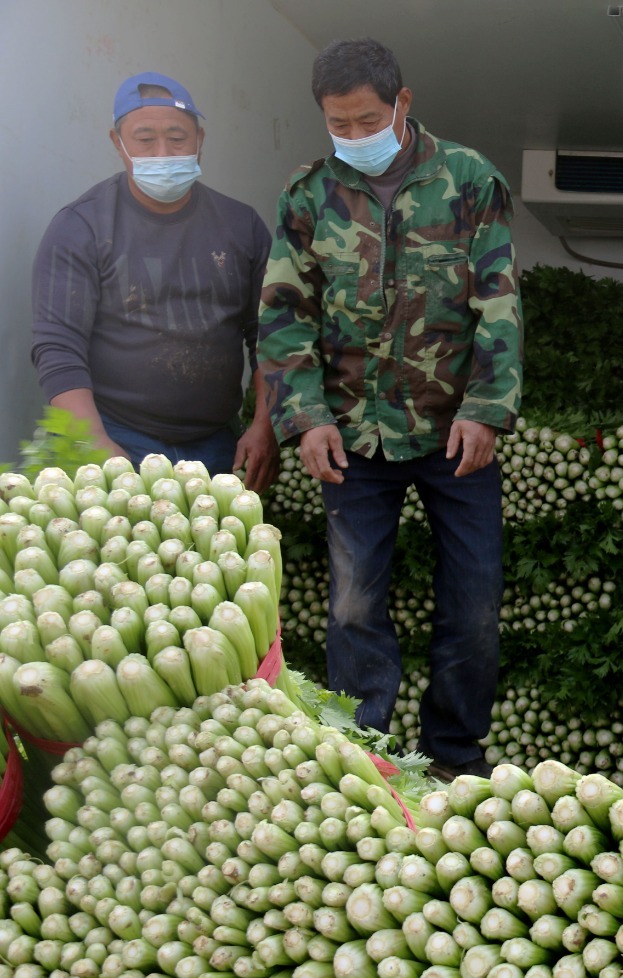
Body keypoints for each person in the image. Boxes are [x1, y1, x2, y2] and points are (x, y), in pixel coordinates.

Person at [257, 38, 522, 782]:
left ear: (403, 104)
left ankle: (454, 757)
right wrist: (304, 418)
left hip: (454, 436)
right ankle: (362, 758)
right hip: (352, 436)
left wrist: (487, 409)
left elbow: (498, 303)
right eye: (338, 124)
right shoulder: (308, 194)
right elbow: (283, 315)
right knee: (351, 610)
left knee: (472, 610)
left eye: (366, 120)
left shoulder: (470, 181)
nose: (352, 136)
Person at [30, 72, 277, 490]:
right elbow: (57, 347)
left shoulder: (241, 226)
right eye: (145, 139)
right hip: (114, 437)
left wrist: (265, 427)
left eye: (177, 138)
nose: (163, 152)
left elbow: (270, 337)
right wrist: (96, 446)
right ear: (118, 142)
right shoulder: (81, 227)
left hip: (217, 445)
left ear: (200, 138)